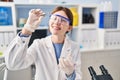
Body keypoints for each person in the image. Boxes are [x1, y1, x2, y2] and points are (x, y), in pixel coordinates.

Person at [4, 6, 82, 80]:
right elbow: (13, 64)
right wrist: (27, 29)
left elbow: (78, 77)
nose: (57, 22)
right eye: (54, 18)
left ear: (69, 27)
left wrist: (71, 74)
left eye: (63, 20)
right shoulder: (38, 45)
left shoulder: (74, 47)